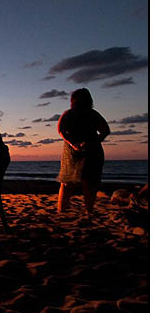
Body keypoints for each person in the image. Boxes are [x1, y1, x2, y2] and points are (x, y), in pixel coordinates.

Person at [56, 88, 110, 224]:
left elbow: (105, 130)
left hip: (90, 151)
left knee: (86, 182)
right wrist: (74, 144)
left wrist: (91, 143)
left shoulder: (91, 114)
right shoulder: (70, 114)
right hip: (74, 151)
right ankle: (63, 211)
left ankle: (86, 211)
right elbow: (61, 130)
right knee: (70, 182)